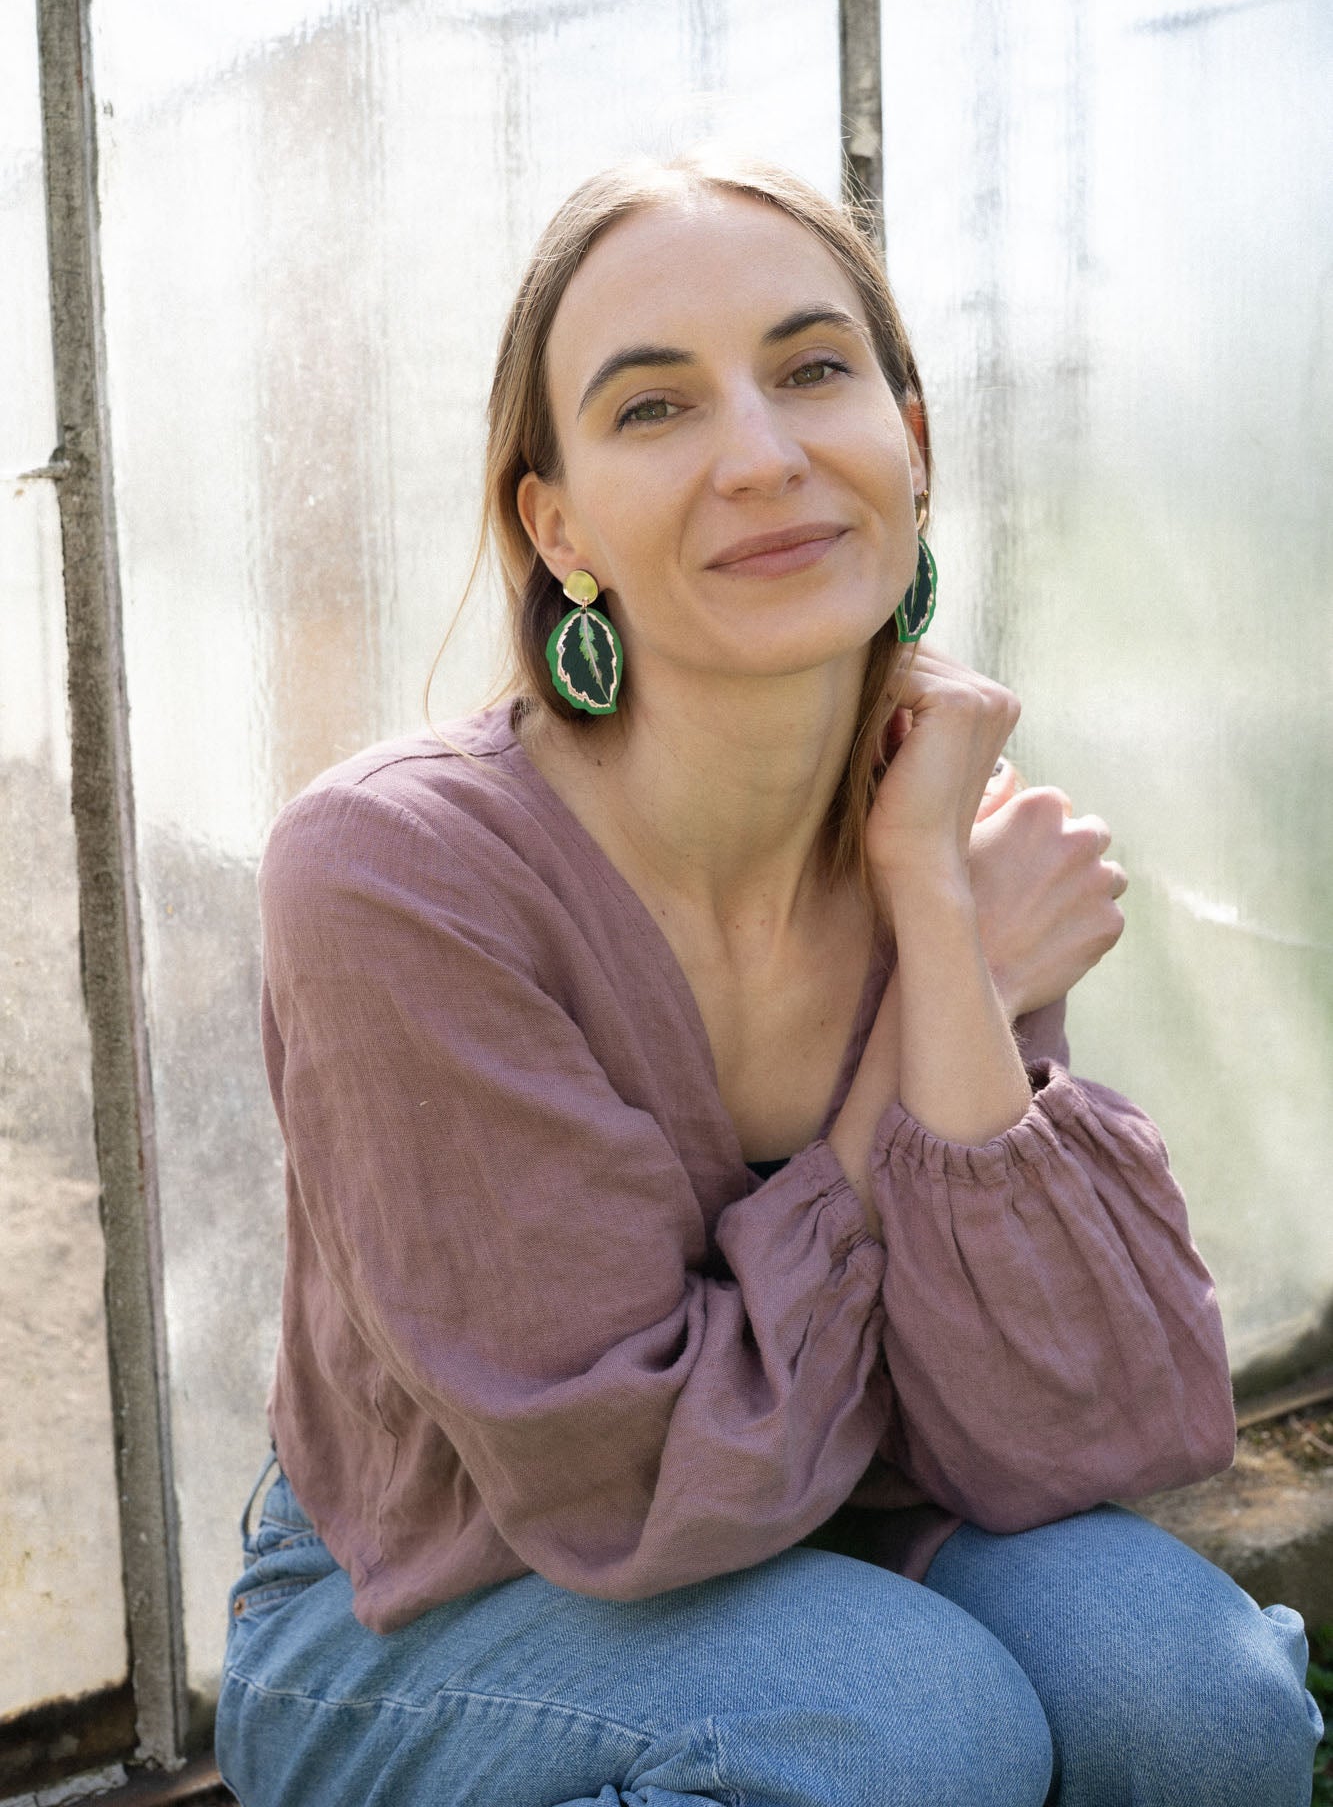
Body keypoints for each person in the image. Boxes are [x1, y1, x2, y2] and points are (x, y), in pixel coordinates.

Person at [215, 155, 1323, 1806]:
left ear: (913, 443)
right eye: (653, 408)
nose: (762, 455)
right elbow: (631, 1494)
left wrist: (927, 915)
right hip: (440, 1590)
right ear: (557, 521)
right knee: (901, 1723)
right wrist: (927, 1023)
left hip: (840, 1498)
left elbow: (1062, 1435)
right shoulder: (396, 873)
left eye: (813, 370)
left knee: (1196, 1708)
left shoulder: (924, 816)